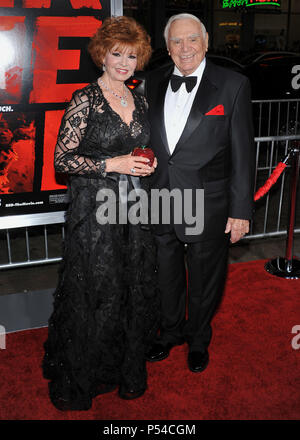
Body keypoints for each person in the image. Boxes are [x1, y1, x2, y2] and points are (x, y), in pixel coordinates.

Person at [42, 16, 159, 411]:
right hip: (94, 212)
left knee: (131, 286)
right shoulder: (85, 99)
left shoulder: (139, 98)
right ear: (102, 56)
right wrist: (115, 164)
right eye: (116, 54)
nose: (124, 62)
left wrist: (144, 163)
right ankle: (84, 376)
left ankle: (124, 370)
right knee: (97, 291)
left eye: (132, 55)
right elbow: (63, 159)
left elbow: (138, 148)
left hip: (134, 210)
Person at [146, 14, 255, 373]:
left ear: (206, 41)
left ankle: (197, 337)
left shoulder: (233, 84)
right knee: (166, 271)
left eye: (192, 39)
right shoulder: (154, 81)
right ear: (167, 46)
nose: (185, 48)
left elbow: (243, 152)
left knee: (206, 274)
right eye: (177, 41)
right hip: (161, 195)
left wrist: (241, 210)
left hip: (208, 201)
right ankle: (171, 330)